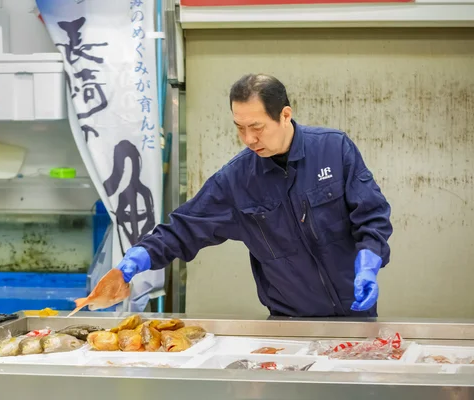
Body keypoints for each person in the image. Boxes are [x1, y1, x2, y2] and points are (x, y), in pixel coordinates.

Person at [116, 73, 392, 318]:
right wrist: (137, 258)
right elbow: (185, 228)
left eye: (257, 128)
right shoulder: (236, 179)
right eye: (240, 127)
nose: (248, 139)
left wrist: (369, 259)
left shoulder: (334, 148)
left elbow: (371, 215)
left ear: (285, 115)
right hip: (289, 323)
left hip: (356, 314)